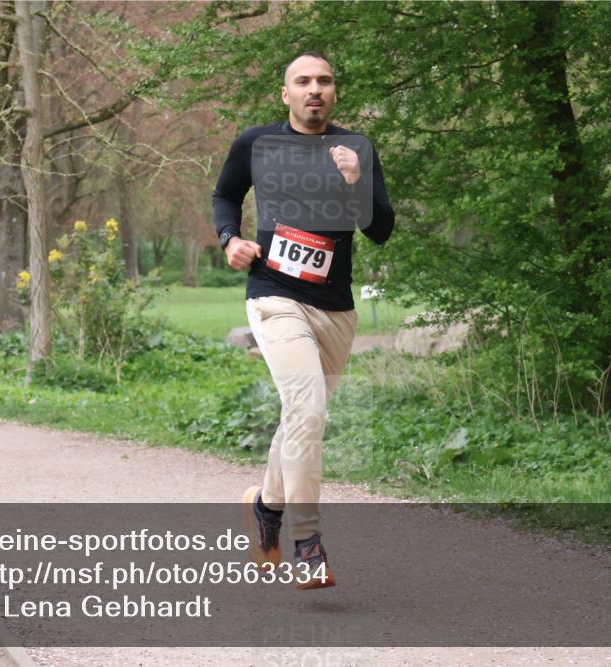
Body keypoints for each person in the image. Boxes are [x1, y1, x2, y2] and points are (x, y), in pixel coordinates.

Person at [213, 51, 395, 589]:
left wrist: (357, 181)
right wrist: (230, 240)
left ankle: (266, 506)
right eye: (303, 81)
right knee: (308, 409)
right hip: (274, 296)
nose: (314, 89)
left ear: (334, 92)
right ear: (286, 93)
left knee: (302, 418)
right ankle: (307, 543)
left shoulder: (356, 148)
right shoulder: (257, 143)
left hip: (336, 308)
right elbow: (225, 194)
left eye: (324, 81)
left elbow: (380, 229)